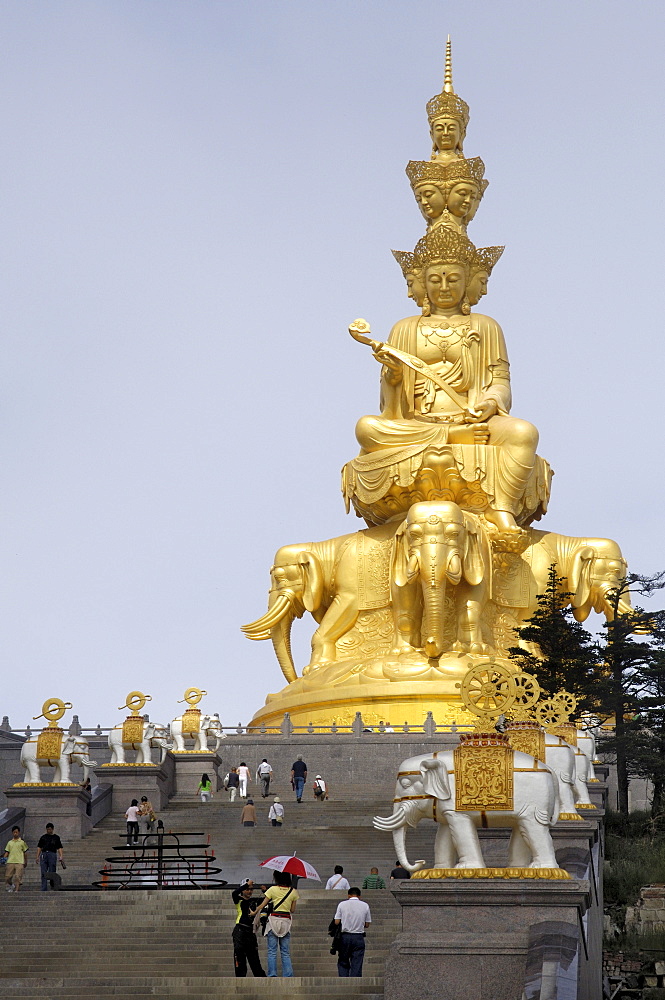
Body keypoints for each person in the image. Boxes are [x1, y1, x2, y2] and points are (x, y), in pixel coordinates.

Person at [350, 227, 542, 536]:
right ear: (420, 285)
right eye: (434, 280)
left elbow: (500, 381)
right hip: (418, 422)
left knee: (524, 433)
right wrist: (393, 375)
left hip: (474, 419)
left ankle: (501, 509)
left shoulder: (486, 326)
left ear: (469, 282)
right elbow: (390, 405)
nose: (443, 287)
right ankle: (455, 435)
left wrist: (490, 402)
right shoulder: (404, 328)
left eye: (453, 279)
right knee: (366, 428)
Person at [252, 871, 298, 977]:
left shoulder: (272, 890)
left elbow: (262, 905)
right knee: (285, 951)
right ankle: (288, 975)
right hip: (286, 922)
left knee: (272, 951)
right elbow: (292, 910)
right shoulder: (293, 891)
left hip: (273, 921)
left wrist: (254, 912)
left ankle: (272, 974)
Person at [334, 887, 372, 977]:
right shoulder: (365, 905)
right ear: (359, 896)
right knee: (357, 962)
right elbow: (367, 924)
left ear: (349, 895)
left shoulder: (342, 904)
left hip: (344, 936)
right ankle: (355, 981)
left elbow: (337, 922)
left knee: (343, 960)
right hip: (358, 937)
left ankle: (343, 980)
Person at [231, 879, 266, 977]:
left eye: (251, 889)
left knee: (254, 959)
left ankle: (261, 978)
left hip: (251, 932)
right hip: (240, 931)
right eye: (247, 889)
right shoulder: (238, 900)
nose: (249, 891)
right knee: (240, 958)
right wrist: (246, 884)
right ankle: (240, 978)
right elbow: (234, 893)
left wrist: (264, 891)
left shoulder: (254, 901)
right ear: (242, 890)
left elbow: (268, 899)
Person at [36, 823, 64, 891]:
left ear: (52, 829)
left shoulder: (56, 837)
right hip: (44, 853)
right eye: (48, 829)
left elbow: (59, 847)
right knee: (43, 871)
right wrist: (37, 856)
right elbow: (39, 847)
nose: (49, 831)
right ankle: (44, 887)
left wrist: (61, 856)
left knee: (52, 870)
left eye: (50, 829)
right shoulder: (43, 837)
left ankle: (53, 885)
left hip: (52, 854)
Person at [4, 826, 28, 893]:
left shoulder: (22, 842)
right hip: (10, 861)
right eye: (14, 832)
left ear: (19, 833)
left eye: (16, 832)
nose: (15, 834)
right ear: (12, 833)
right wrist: (4, 858)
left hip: (19, 861)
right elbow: (7, 852)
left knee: (18, 876)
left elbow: (25, 852)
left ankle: (17, 890)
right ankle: (11, 885)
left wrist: (25, 861)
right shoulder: (10, 842)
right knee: (7, 877)